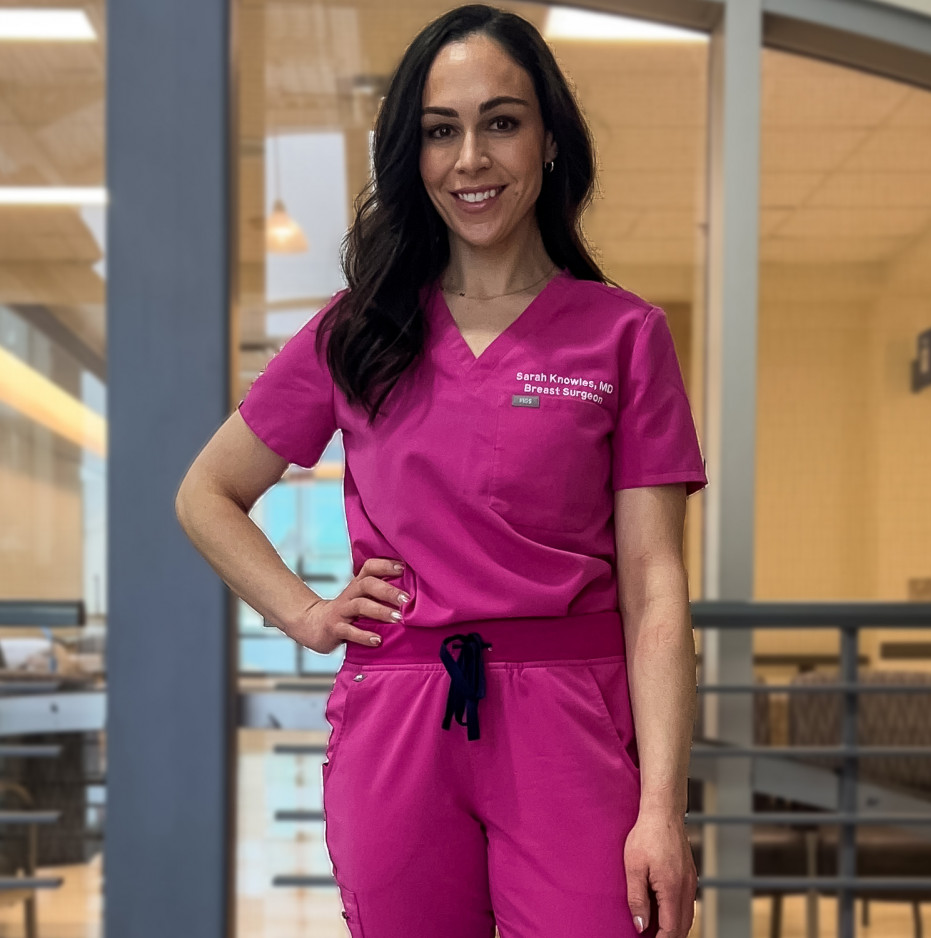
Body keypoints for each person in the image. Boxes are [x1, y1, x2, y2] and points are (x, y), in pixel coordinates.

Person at [175, 4, 707, 937]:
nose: (471, 159)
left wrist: (661, 806)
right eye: (440, 131)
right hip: (400, 714)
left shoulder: (625, 336)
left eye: (501, 122)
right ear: (411, 158)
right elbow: (206, 494)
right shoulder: (360, 328)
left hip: (570, 721)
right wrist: (303, 612)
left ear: (548, 140)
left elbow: (656, 586)